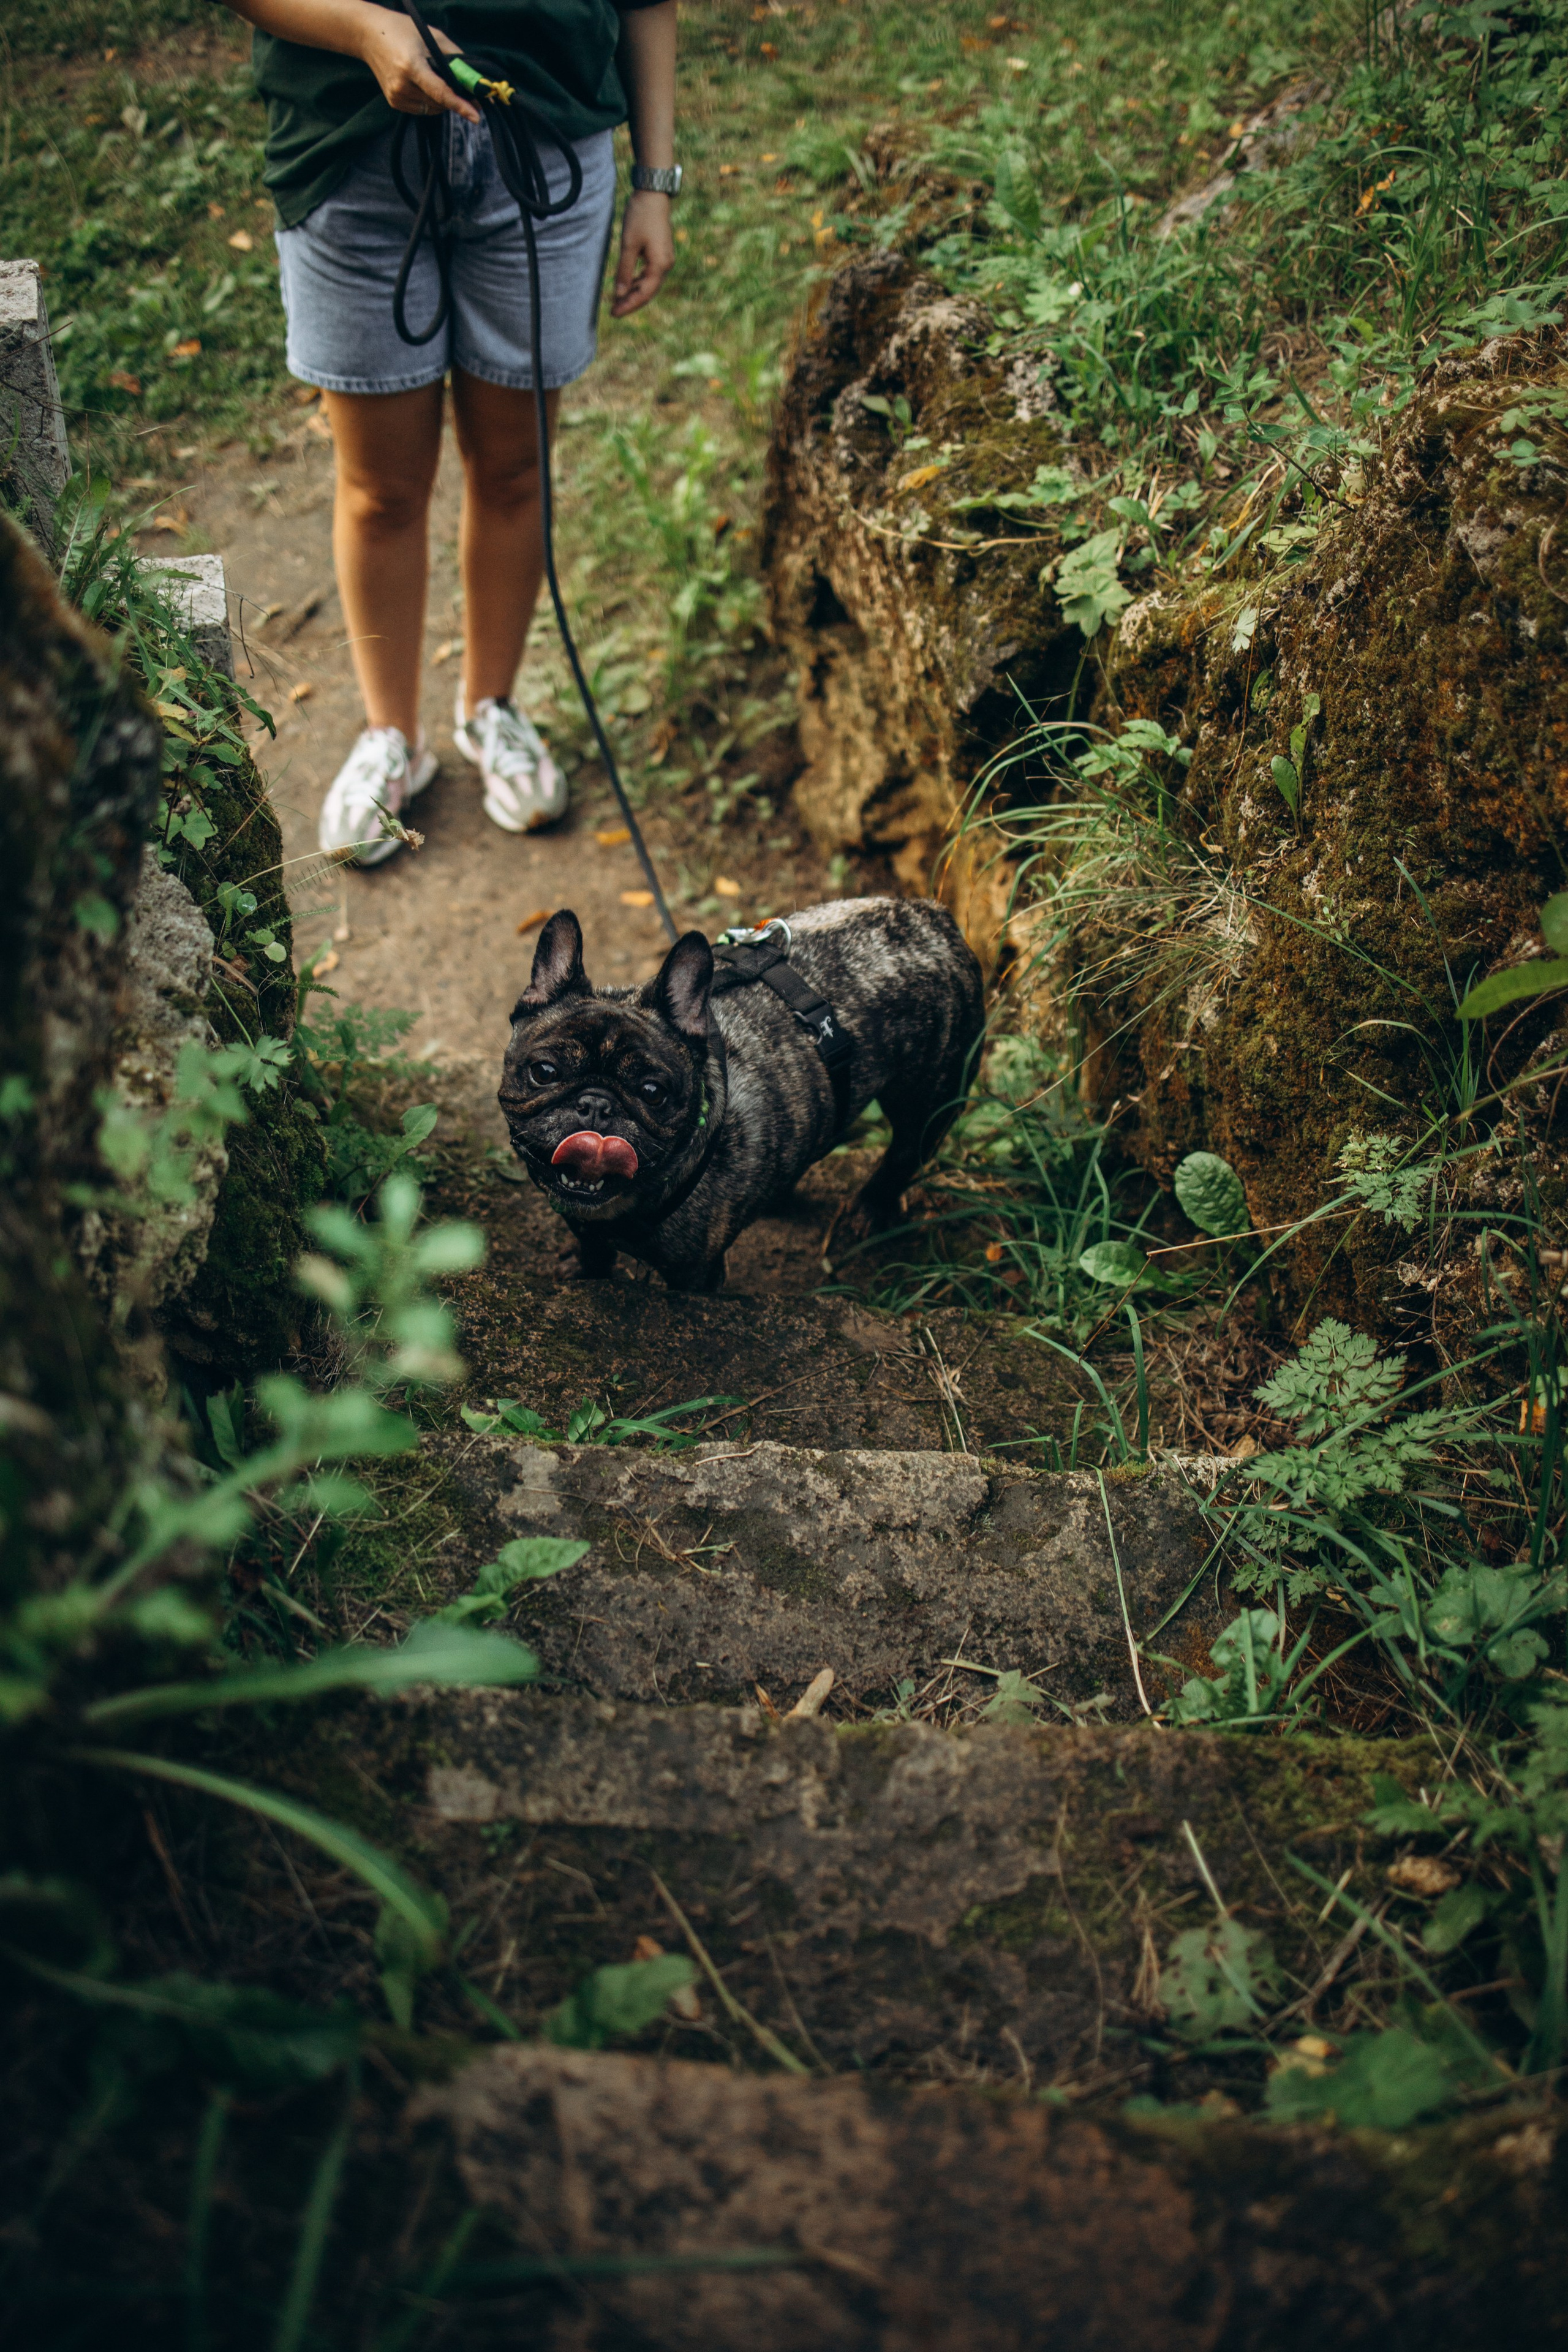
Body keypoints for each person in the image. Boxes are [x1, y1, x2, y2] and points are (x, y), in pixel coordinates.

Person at [222, 0, 679, 861]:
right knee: (380, 487)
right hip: (346, 152)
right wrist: (360, 28)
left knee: (514, 469)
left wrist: (657, 182)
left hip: (545, 142)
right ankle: (392, 735)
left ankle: (490, 711)